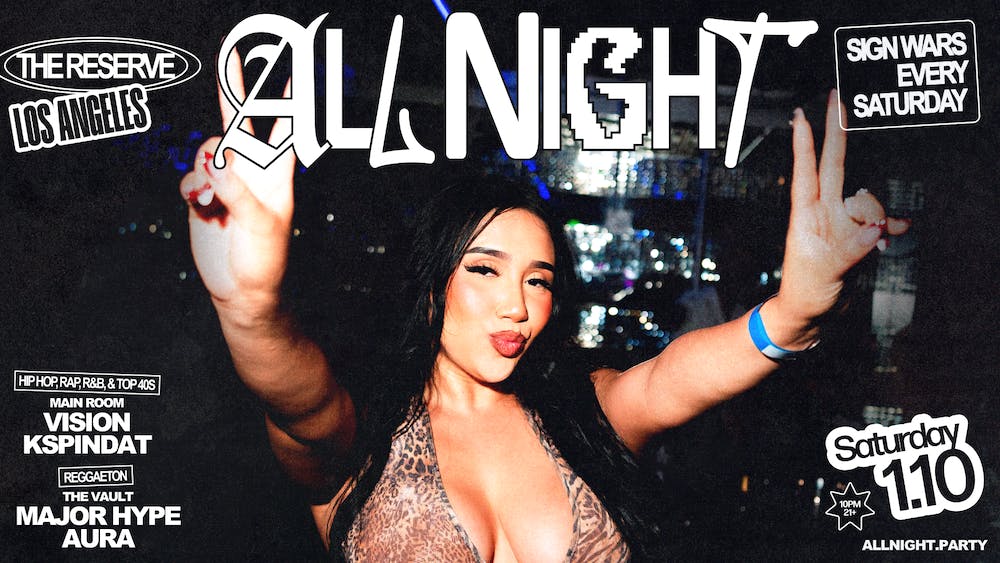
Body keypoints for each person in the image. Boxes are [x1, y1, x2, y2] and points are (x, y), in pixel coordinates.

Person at [179, 58, 907, 561]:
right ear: (433, 286)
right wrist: (250, 307)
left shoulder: (581, 413)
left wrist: (792, 313)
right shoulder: (356, 432)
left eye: (539, 280)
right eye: (485, 269)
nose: (516, 304)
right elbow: (294, 397)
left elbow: (672, 378)